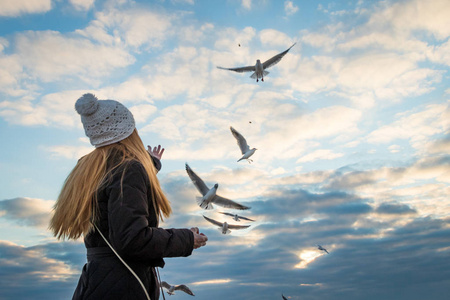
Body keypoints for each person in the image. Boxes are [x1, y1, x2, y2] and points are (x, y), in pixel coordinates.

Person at [49, 93, 208, 300]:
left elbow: (112, 189)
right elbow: (131, 239)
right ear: (127, 130)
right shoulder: (129, 169)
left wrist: (149, 167)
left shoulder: (88, 170)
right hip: (124, 286)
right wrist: (186, 239)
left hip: (96, 281)